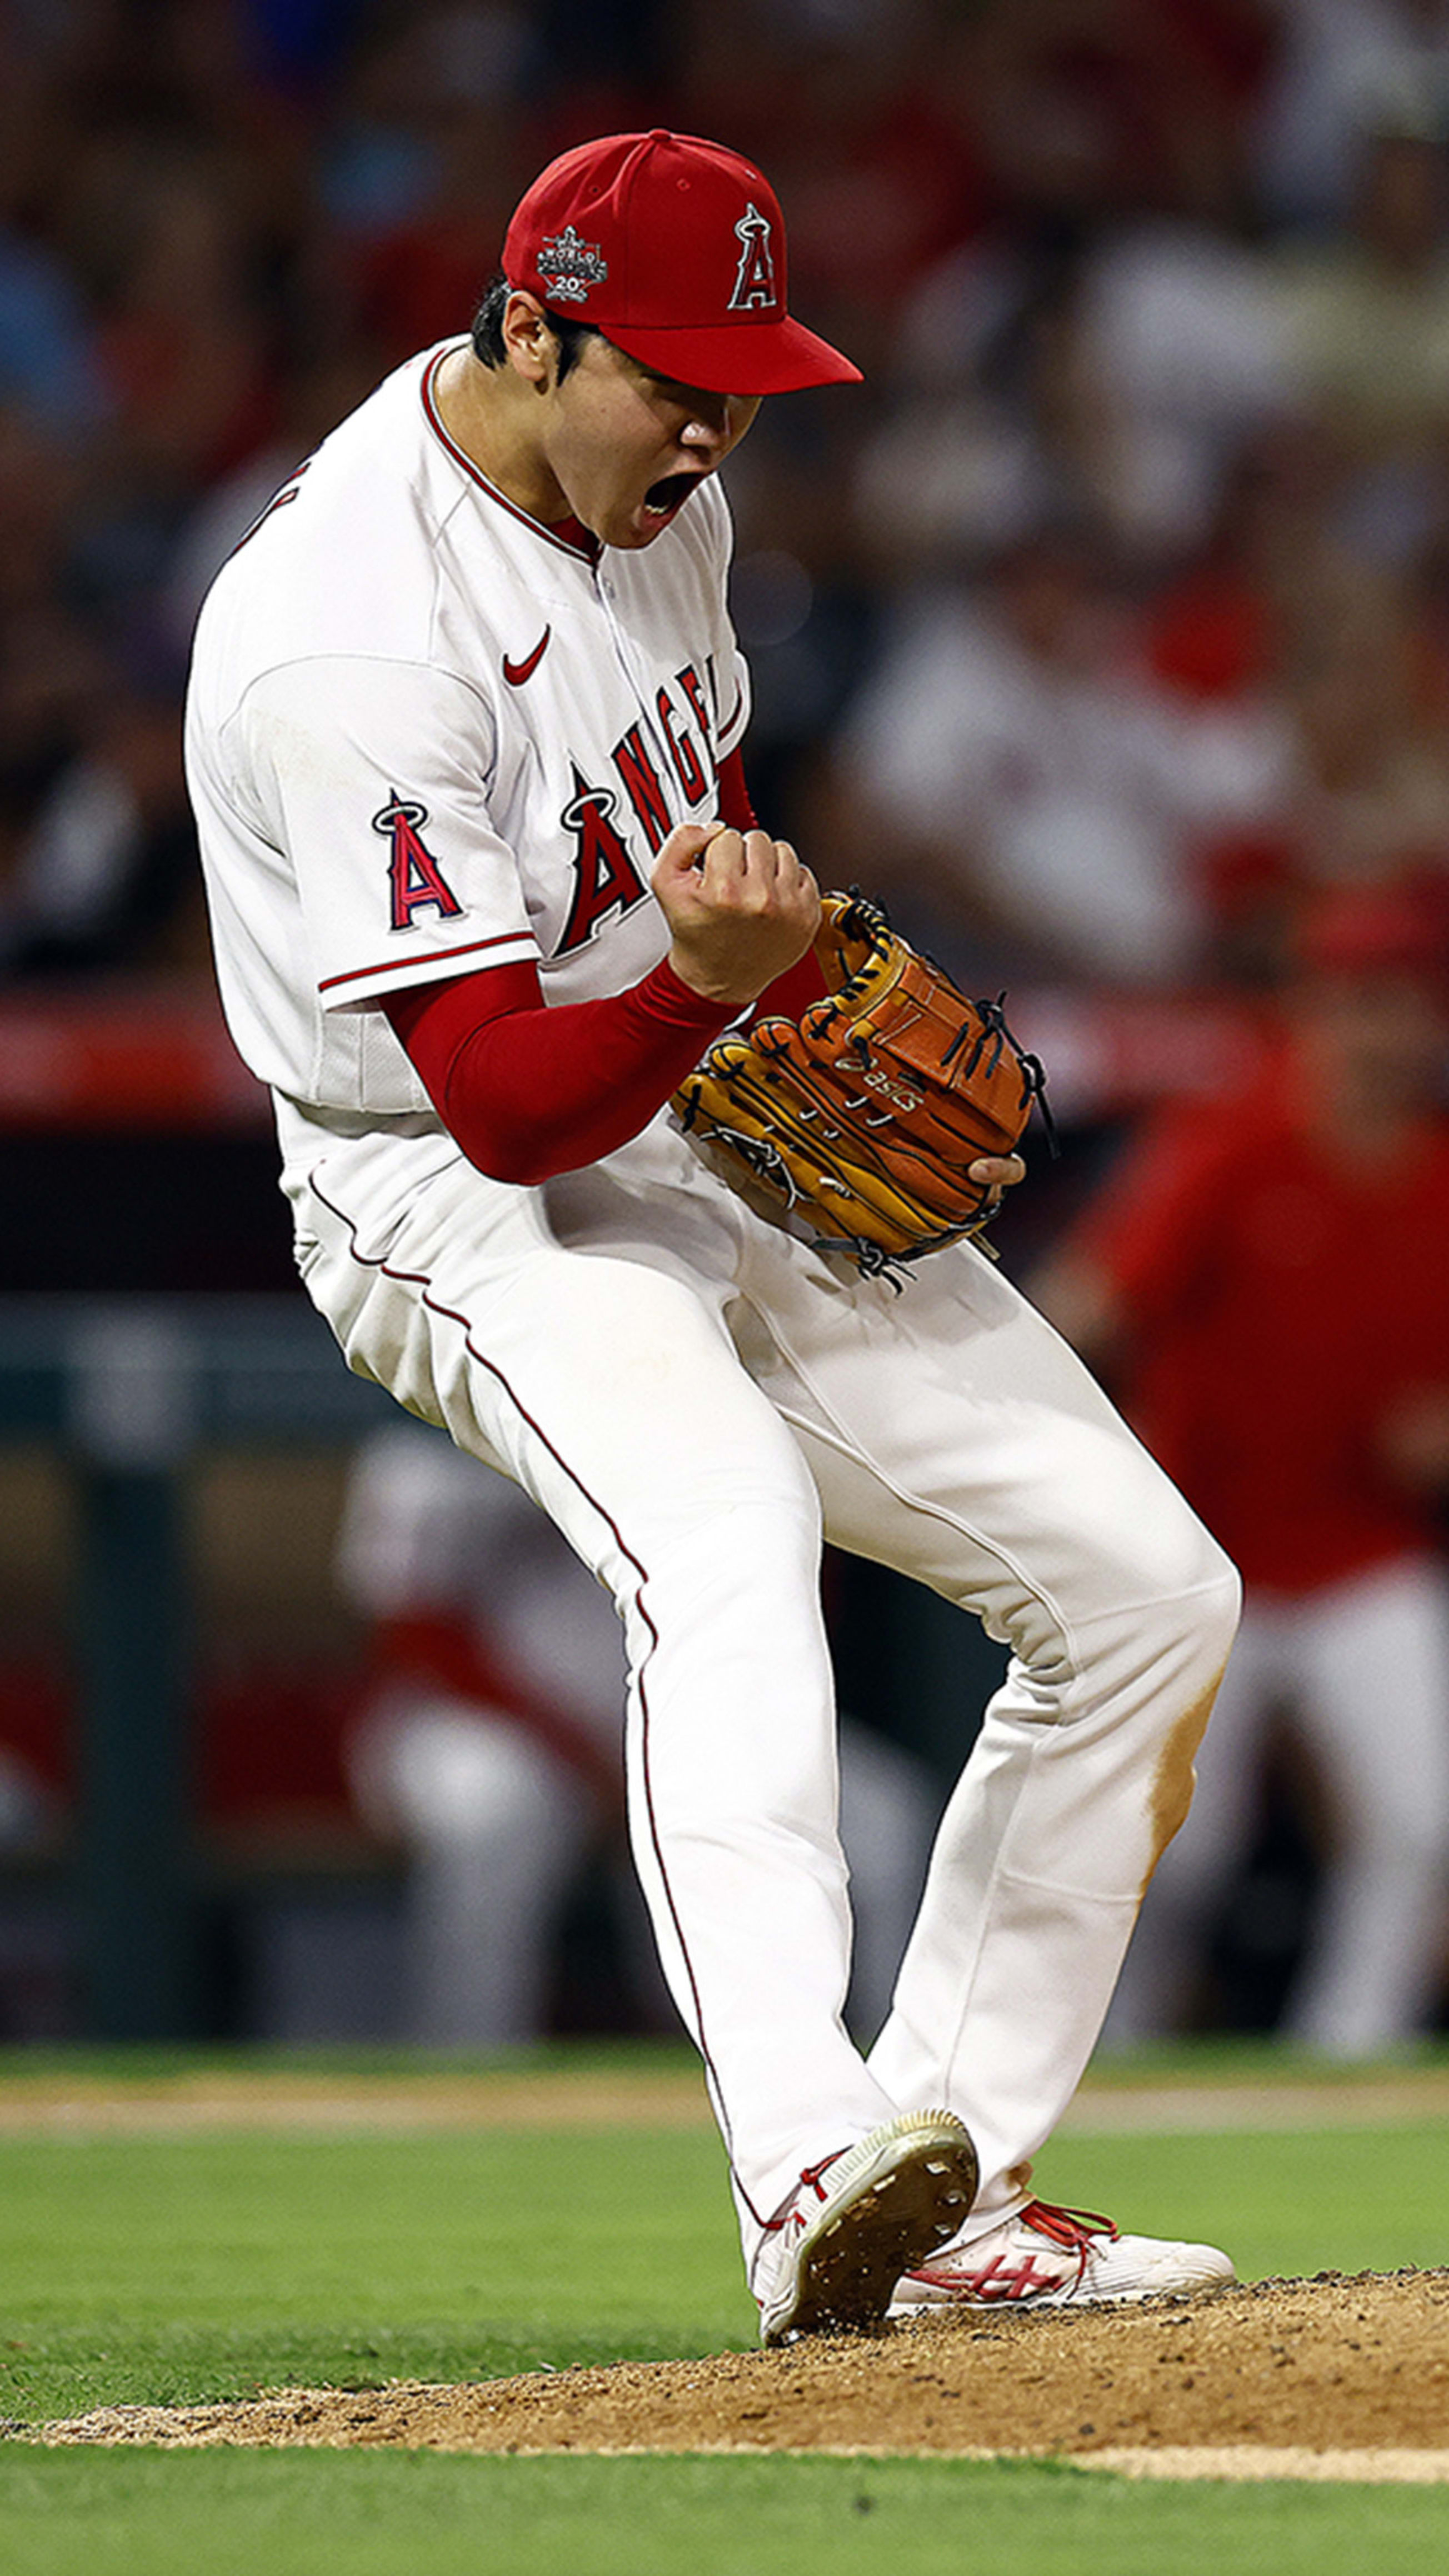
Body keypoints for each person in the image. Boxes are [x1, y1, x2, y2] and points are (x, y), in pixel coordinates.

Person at [184, 127, 1241, 2342]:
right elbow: (489, 1090)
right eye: (666, 373)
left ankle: (949, 2199)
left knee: (1148, 1591)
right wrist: (697, 989)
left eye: (738, 377)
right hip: (448, 1195)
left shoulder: (667, 496)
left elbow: (693, 832)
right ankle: (806, 2157)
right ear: (519, 329)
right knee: (722, 1517)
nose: (709, 420)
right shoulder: (345, 641)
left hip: (663, 1105)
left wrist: (751, 992)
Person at [1033, 881, 1449, 2055]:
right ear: (1309, 1009)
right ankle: (1113, 2061)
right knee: (1178, 1847)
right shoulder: (1228, 1142)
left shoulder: (1434, 1173)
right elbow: (1085, 1308)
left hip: (1361, 1549)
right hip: (1205, 1558)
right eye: (1361, 1000)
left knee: (1417, 1821)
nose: (1387, 1029)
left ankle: (1347, 2060)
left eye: (1408, 1002)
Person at [337, 1420, 941, 2049]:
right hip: (479, 1724)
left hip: (691, 1711)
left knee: (886, 1819)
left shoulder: (707, 1413)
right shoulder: (428, 1435)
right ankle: (467, 2062)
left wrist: (679, 1736)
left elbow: (792, 1594)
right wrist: (590, 1754)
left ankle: (891, 2073)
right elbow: (414, 1636)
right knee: (500, 1813)